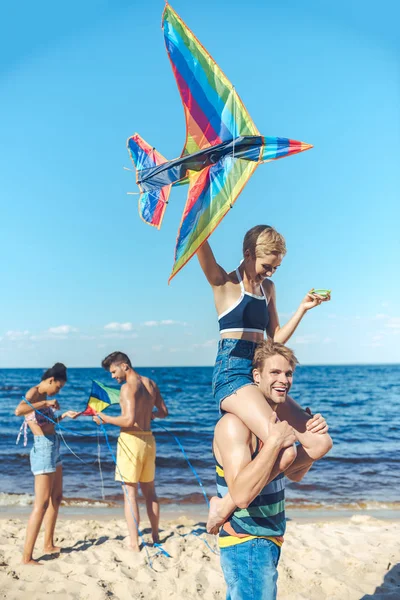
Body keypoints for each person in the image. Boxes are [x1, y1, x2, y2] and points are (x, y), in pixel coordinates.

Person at [212, 340, 332, 600]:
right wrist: (276, 443)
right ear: (256, 376)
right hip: (247, 540)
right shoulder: (234, 425)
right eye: (275, 373)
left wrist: (308, 437)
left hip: (269, 537)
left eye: (288, 373)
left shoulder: (277, 423)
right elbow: (242, 494)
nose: (284, 380)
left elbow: (295, 474)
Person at [94, 351, 168, 551]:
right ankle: (155, 535)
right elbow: (163, 412)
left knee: (130, 494)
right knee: (150, 492)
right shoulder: (151, 383)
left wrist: (104, 418)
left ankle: (134, 543)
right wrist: (149, 414)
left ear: (124, 366)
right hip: (149, 441)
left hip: (131, 441)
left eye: (113, 371)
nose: (113, 376)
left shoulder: (127, 388)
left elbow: (127, 420)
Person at [14, 363, 79, 565]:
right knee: (41, 504)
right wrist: (46, 403)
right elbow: (19, 410)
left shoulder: (45, 398)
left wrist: (65, 415)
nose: (58, 391)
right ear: (51, 380)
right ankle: (26, 557)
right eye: (58, 387)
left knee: (57, 498)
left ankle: (48, 544)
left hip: (54, 446)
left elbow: (49, 424)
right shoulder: (34, 393)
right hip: (43, 449)